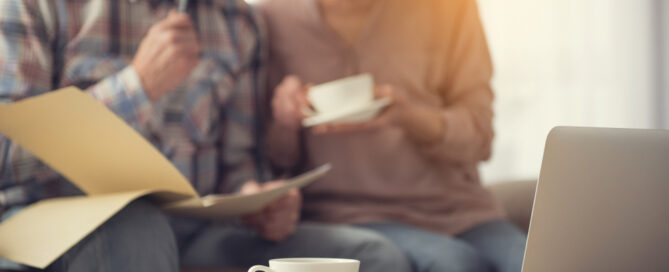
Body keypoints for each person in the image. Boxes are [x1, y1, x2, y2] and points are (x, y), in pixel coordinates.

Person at [0, 0, 411, 271]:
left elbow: (239, 162)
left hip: (195, 229)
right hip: (51, 227)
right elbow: (6, 157)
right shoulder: (37, 7)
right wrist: (137, 88)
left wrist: (255, 197)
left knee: (375, 258)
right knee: (140, 228)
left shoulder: (238, 21)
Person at [259, 0, 528, 271]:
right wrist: (285, 122)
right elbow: (274, 164)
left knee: (542, 263)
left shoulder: (450, 9)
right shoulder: (273, 18)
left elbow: (481, 139)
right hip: (349, 215)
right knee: (456, 264)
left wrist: (410, 116)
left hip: (461, 211)